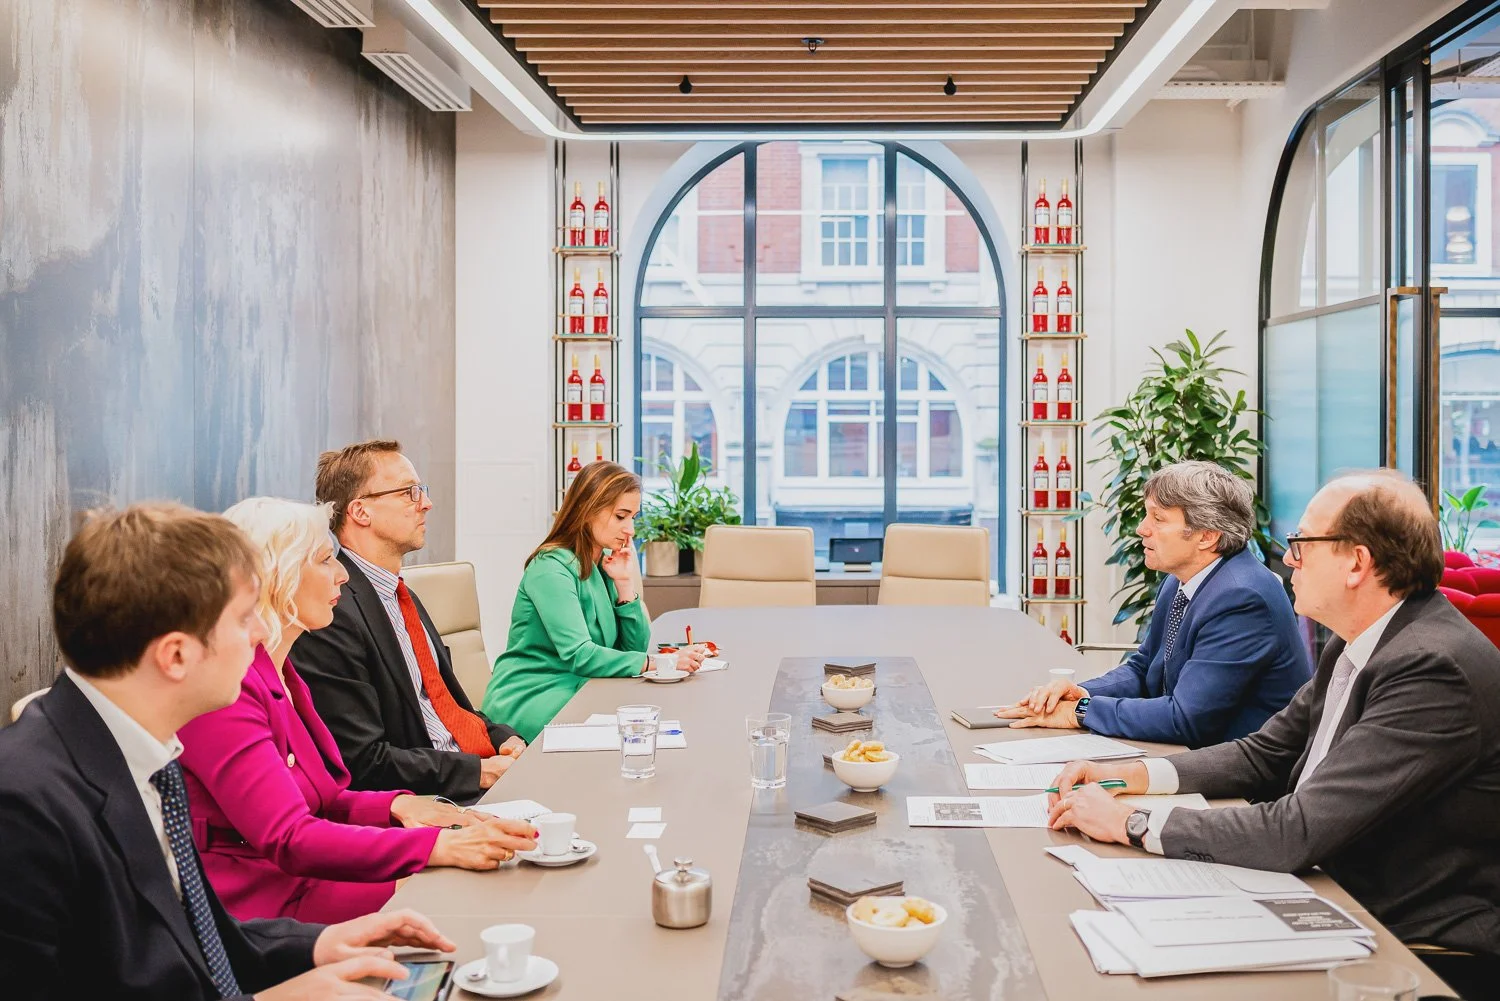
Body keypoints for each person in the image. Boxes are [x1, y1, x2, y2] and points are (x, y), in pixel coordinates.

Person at [1046, 471, 1500, 992]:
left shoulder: (1430, 667)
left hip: (1407, 938)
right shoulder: (1361, 642)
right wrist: (1128, 775)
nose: (1288, 559)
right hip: (1331, 891)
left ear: (1358, 562)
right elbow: (1266, 753)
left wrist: (1130, 823)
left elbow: (1297, 829)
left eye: (1302, 544)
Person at [0, 502, 457, 1001]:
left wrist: (317, 945)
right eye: (243, 619)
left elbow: (195, 937)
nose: (261, 632)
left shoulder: (145, 755)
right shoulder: (23, 806)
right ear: (176, 655)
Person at [178, 498, 537, 924]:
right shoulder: (227, 691)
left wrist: (399, 807)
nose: (343, 574)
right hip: (262, 903)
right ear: (278, 576)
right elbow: (290, 836)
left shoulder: (283, 673)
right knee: (468, 897)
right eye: (325, 560)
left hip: (301, 876)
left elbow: (321, 801)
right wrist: (432, 848)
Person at [996, 461, 1311, 747]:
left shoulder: (1242, 598)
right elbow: (1146, 669)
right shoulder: (1182, 578)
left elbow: (1185, 719)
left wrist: (1080, 713)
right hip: (1189, 754)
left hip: (1242, 787)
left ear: (1207, 536)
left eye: (1158, 519)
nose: (1141, 529)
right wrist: (1083, 693)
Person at [293, 440, 524, 803]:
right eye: (409, 492)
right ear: (360, 512)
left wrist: (502, 737)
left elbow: (448, 708)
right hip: (432, 799)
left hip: (471, 774)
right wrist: (479, 772)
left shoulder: (403, 596)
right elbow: (362, 761)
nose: (426, 503)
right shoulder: (332, 612)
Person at [482, 460, 706, 742]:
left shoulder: (600, 565)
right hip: (534, 697)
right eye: (621, 516)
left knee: (652, 725)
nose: (631, 530)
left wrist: (625, 585)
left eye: (633, 517)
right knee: (640, 733)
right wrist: (659, 661)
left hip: (584, 688)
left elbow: (632, 649)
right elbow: (581, 655)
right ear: (587, 510)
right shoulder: (551, 569)